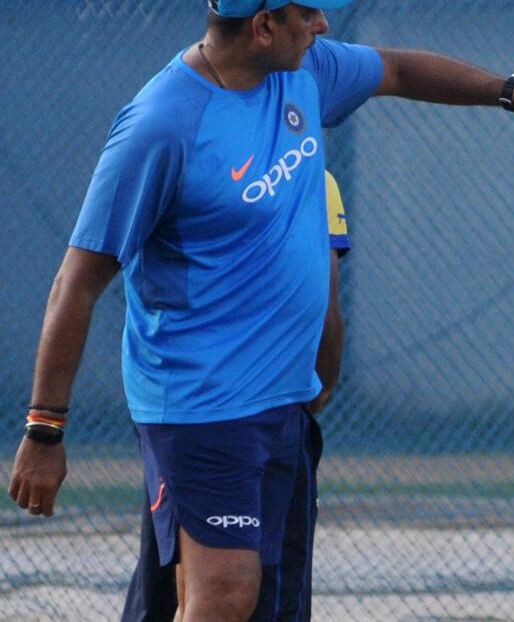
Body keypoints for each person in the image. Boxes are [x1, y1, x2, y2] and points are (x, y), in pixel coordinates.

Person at [8, 0, 514, 622]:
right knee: (225, 595)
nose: (324, 24)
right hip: (200, 405)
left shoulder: (302, 73)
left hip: (283, 403)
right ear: (264, 25)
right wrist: (45, 429)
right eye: (309, 12)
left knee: (248, 602)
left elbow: (396, 70)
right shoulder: (161, 126)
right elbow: (78, 282)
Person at [121, 169, 351, 621]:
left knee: (184, 583)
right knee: (238, 590)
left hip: (182, 410)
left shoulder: (169, 161)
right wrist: (318, 384)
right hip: (236, 413)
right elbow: (326, 306)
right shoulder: (304, 175)